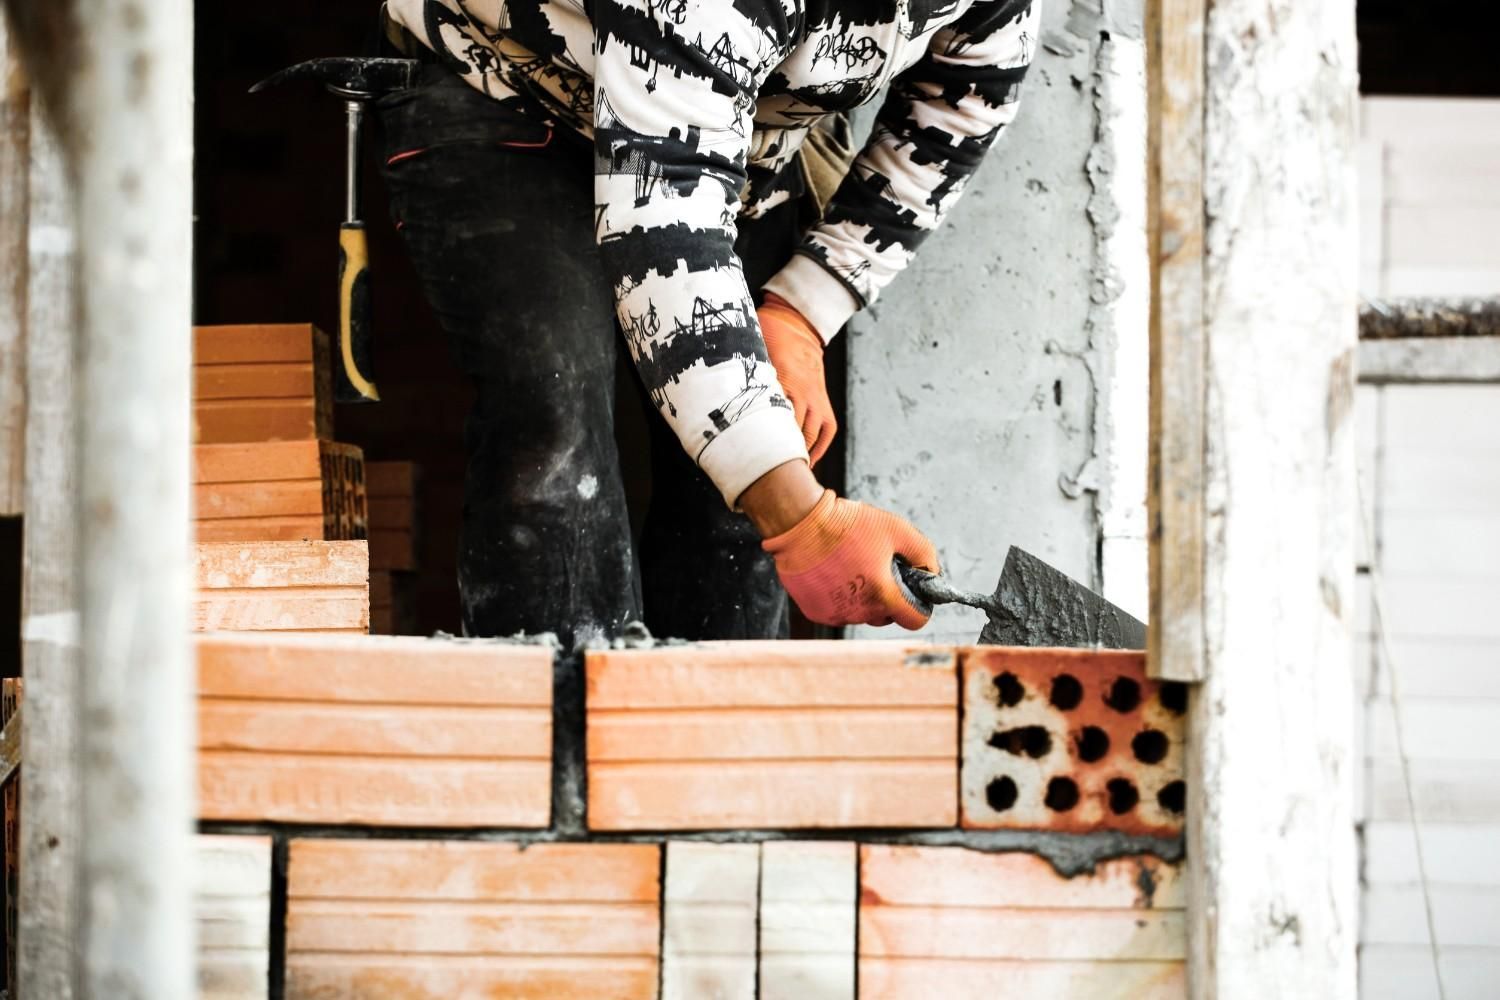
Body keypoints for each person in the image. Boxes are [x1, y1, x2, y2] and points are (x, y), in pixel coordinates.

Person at [374, 0, 1038, 648]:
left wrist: (800, 314)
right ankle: (557, 742)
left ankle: (717, 744)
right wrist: (805, 523)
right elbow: (662, 233)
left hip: (732, 136)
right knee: (556, 429)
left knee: (749, 476)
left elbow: (954, 115)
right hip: (512, 83)